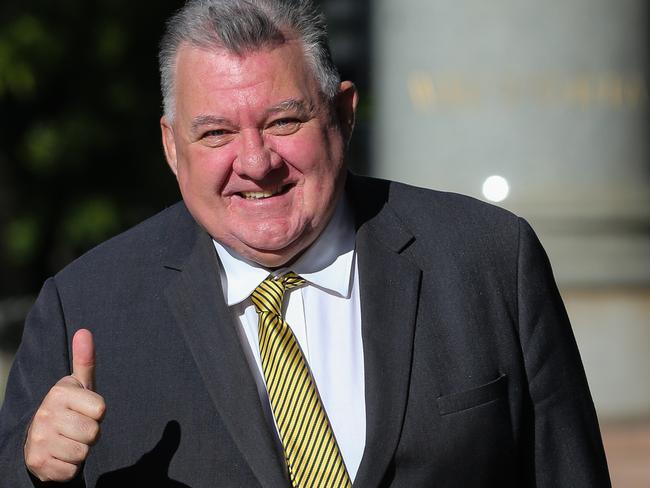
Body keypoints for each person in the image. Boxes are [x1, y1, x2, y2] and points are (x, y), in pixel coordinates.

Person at [0, 0, 611, 487]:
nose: (256, 162)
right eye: (215, 133)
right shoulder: (83, 308)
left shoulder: (488, 261)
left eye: (283, 122)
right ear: (171, 147)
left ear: (342, 114)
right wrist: (35, 471)